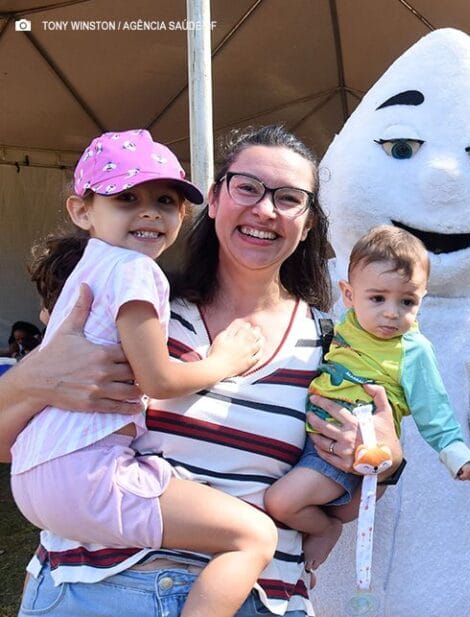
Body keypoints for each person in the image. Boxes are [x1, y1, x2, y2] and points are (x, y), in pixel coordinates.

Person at [0, 125, 404, 617]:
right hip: (99, 591)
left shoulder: (334, 347)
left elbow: (336, 504)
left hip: (257, 599)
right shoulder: (137, 309)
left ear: (310, 222)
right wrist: (29, 379)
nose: (265, 209)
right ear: (213, 200)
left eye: (289, 198)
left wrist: (381, 466)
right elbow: (17, 441)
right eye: (247, 188)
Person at [10, 129, 288, 617]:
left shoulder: (87, 269)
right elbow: (157, 380)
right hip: (84, 470)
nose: (148, 212)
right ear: (82, 211)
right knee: (253, 535)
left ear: (183, 215)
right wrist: (222, 361)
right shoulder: (136, 270)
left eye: (164, 200)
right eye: (126, 198)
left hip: (37, 473)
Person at [265, 225, 470, 570]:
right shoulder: (342, 326)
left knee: (281, 502)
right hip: (310, 439)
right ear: (348, 295)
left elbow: (433, 407)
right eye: (377, 298)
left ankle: (326, 530)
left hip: (348, 449)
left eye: (407, 301)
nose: (392, 312)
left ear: (422, 299)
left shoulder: (412, 349)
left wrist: (453, 451)